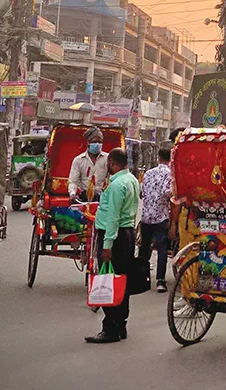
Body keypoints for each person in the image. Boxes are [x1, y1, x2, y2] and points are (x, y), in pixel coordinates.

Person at [85, 147, 140, 344]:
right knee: (121, 281)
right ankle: (121, 325)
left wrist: (107, 245)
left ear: (112, 163)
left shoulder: (117, 185)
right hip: (127, 235)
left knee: (109, 281)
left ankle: (110, 328)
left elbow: (112, 217)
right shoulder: (132, 180)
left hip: (115, 238)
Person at [139, 146, 173, 293]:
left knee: (144, 248)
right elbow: (167, 193)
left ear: (158, 157)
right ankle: (160, 280)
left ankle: (141, 277)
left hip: (146, 216)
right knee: (161, 249)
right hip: (161, 216)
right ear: (171, 159)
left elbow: (143, 193)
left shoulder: (148, 173)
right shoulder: (170, 174)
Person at [69, 126, 109, 201]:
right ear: (88, 143)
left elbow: (111, 178)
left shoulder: (108, 158)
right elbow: (73, 181)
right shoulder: (78, 160)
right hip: (84, 196)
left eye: (99, 142)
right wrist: (73, 194)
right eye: (94, 142)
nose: (97, 144)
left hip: (102, 196)